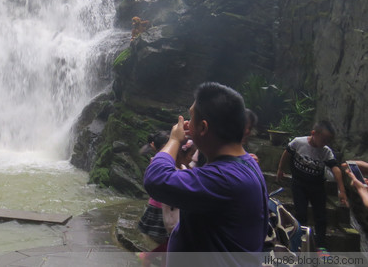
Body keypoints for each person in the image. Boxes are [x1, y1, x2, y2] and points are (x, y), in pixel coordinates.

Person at [144, 82, 268, 264]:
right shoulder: (246, 163)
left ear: (203, 127)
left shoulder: (225, 178)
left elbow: (156, 178)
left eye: (191, 118)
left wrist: (174, 140)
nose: (187, 124)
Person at [276, 120, 348, 248]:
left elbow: (336, 169)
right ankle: (300, 243)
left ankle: (321, 246)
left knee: (321, 217)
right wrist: (280, 169)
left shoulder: (326, 151)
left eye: (328, 140)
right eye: (324, 139)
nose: (325, 143)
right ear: (314, 133)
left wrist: (341, 190)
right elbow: (287, 153)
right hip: (299, 184)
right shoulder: (298, 142)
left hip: (317, 187)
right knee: (301, 214)